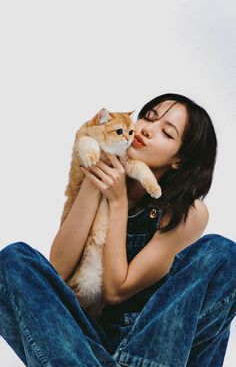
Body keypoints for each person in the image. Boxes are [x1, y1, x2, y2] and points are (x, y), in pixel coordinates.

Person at [0, 93, 235, 367]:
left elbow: (115, 290)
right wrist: (93, 182)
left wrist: (118, 201)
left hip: (151, 347)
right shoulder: (104, 172)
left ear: (179, 160)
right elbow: (59, 272)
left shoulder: (188, 212)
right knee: (14, 259)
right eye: (149, 116)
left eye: (166, 133)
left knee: (222, 253)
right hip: (82, 345)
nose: (147, 129)